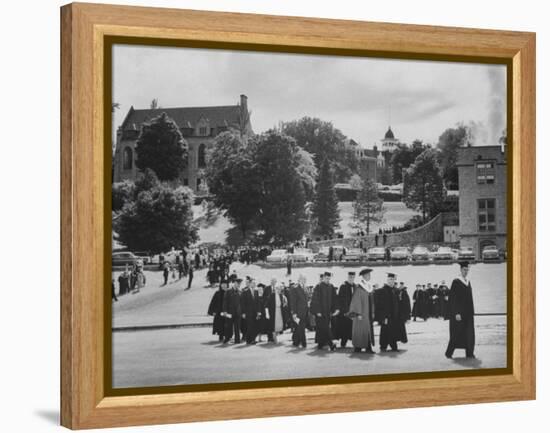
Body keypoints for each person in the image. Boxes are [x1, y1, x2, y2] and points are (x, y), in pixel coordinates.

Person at [445, 262, 476, 359]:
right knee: (456, 333)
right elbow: (453, 299)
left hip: (468, 313)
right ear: (461, 270)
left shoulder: (468, 281)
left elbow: (470, 298)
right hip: (459, 314)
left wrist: (472, 312)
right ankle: (449, 353)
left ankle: (469, 353)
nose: (466, 272)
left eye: (467, 270)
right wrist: (456, 313)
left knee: (469, 333)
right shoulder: (456, 281)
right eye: (464, 270)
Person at [375, 272, 405, 352]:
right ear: (387, 280)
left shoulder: (396, 291)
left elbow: (399, 304)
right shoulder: (381, 291)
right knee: (385, 331)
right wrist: (382, 317)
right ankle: (383, 346)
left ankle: (393, 345)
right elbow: (379, 306)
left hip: (394, 316)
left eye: (392, 279)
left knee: (394, 331)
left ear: (394, 280)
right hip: (386, 316)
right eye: (389, 279)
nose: (391, 281)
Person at [348, 268, 375, 353]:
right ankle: (358, 347)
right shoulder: (359, 287)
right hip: (362, 313)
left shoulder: (369, 286)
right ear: (363, 276)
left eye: (369, 275)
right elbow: (356, 300)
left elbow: (372, 301)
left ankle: (367, 347)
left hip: (368, 313)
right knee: (360, 330)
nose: (369, 276)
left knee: (367, 330)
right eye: (368, 275)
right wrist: (357, 313)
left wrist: (373, 311)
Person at [310, 272, 338, 351]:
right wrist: (317, 311)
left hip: (327, 311)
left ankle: (320, 343)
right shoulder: (318, 286)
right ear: (323, 277)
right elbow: (315, 299)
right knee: (325, 328)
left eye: (329, 279)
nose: (328, 280)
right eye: (326, 278)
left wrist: (335, 309)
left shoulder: (331, 286)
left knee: (321, 328)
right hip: (320, 312)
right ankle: (331, 344)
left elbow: (334, 298)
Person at [288, 274, 309, 348]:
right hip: (298, 312)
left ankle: (296, 341)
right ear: (299, 279)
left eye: (305, 279)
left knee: (298, 328)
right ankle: (304, 343)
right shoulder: (295, 288)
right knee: (301, 328)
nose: (305, 280)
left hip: (305, 312)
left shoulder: (305, 288)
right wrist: (294, 313)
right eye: (303, 279)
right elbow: (293, 302)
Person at [336, 272, 355, 348]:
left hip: (353, 311)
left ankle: (355, 343)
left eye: (353, 277)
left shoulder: (355, 286)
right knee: (344, 328)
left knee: (352, 327)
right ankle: (343, 343)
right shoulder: (343, 286)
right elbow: (340, 300)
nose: (351, 278)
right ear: (348, 277)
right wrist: (345, 311)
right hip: (345, 311)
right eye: (350, 277)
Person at [221, 277, 242, 344]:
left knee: (237, 327)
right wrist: (225, 311)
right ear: (234, 283)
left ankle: (237, 340)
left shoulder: (240, 291)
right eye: (237, 283)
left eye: (239, 284)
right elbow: (225, 302)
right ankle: (227, 339)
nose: (238, 285)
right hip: (229, 312)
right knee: (228, 326)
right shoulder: (228, 291)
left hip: (237, 313)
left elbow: (241, 302)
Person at [240, 277, 258, 344]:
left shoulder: (256, 292)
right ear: (250, 284)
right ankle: (250, 340)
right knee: (249, 326)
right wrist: (243, 313)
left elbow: (258, 302)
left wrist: (258, 312)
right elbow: (242, 303)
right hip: (248, 312)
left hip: (255, 313)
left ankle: (251, 339)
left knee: (254, 326)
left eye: (255, 283)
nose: (254, 284)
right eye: (253, 283)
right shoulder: (245, 292)